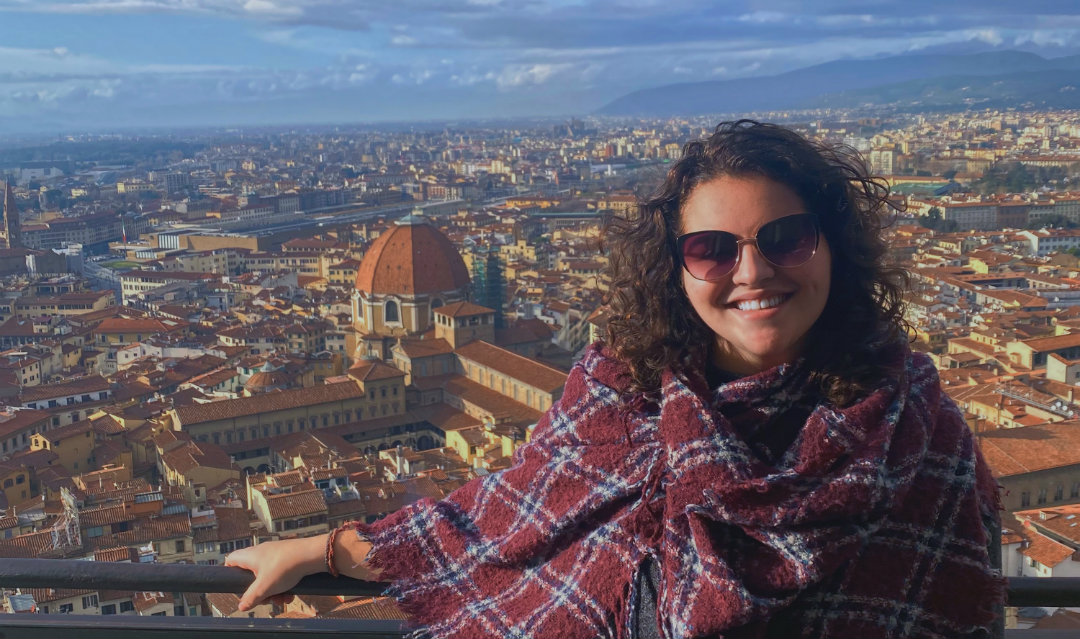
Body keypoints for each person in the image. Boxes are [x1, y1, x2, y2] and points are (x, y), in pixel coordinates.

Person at [226, 120, 1004, 638]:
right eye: (713, 249)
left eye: (787, 236)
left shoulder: (924, 442)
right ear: (676, 268)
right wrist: (325, 547)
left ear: (833, 246)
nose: (753, 270)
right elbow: (496, 525)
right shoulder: (615, 403)